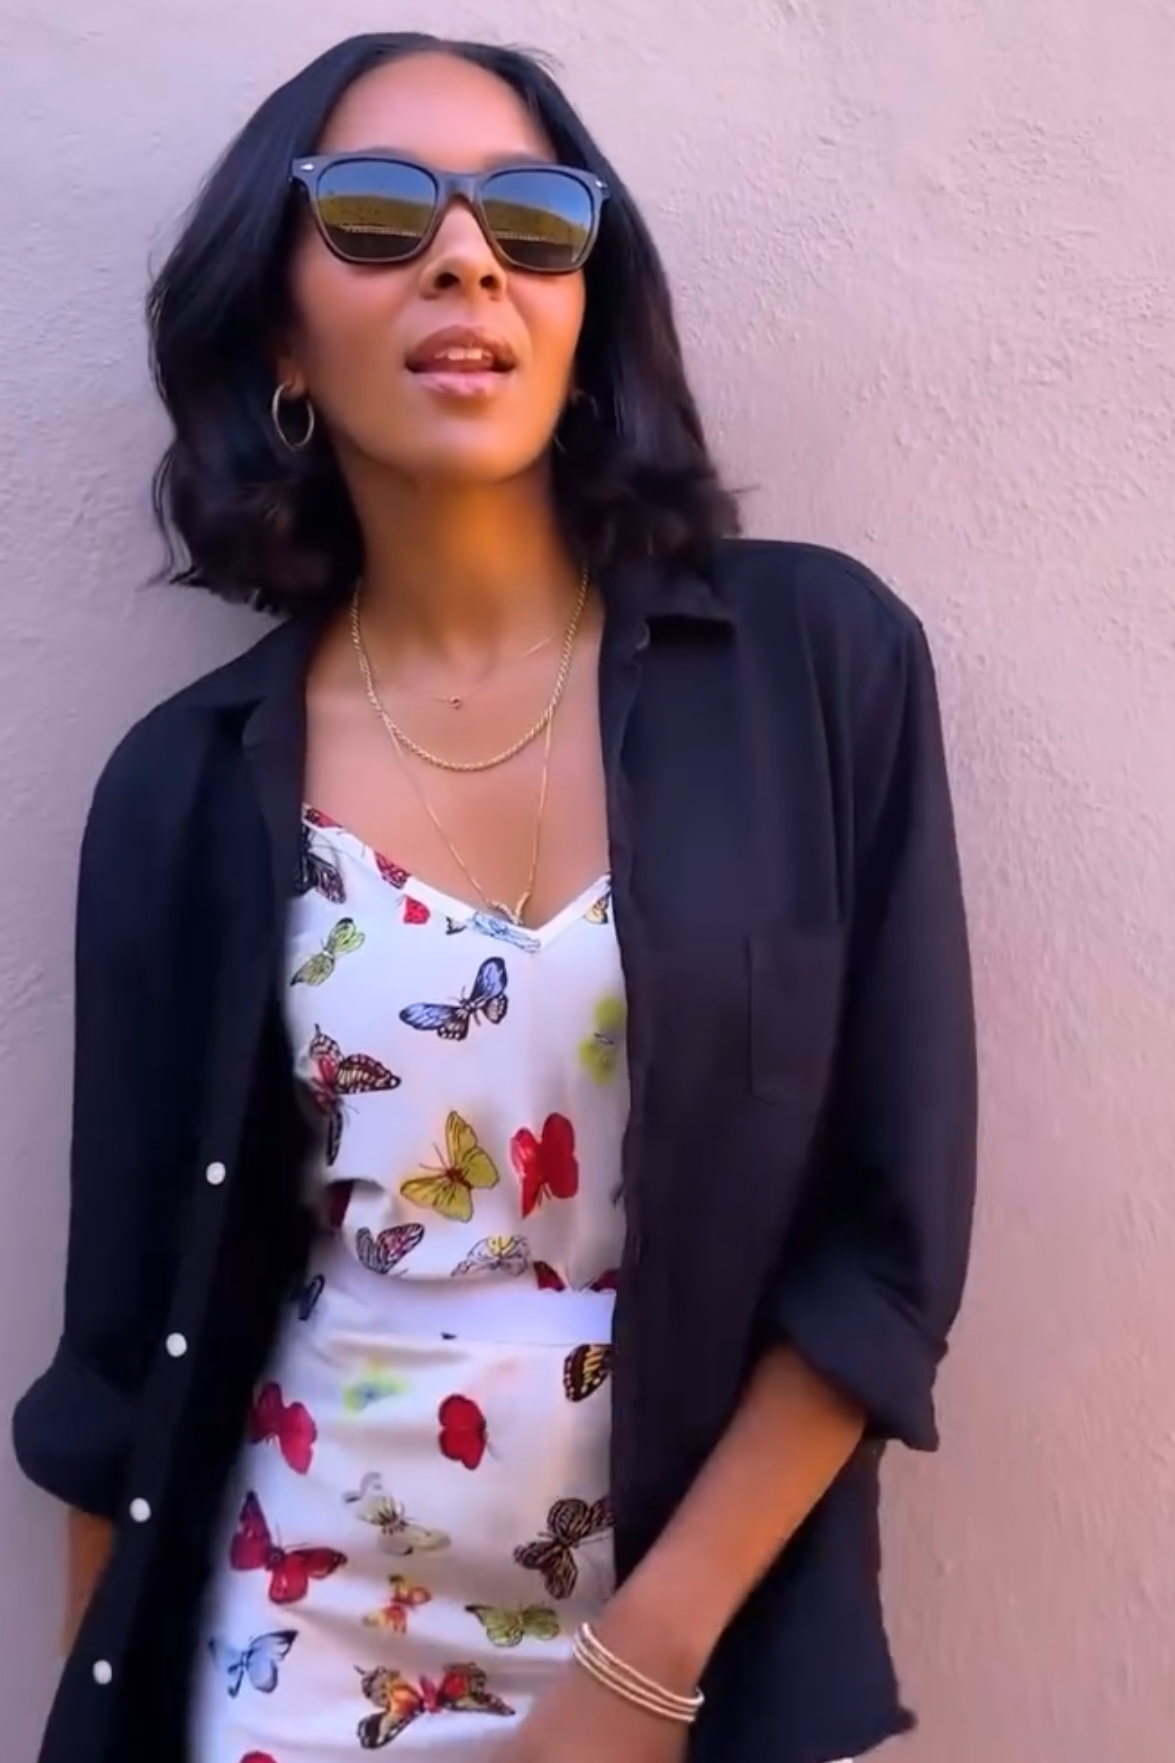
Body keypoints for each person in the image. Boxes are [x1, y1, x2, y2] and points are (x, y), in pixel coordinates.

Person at [11, 30, 977, 1763]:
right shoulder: (182, 787)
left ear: (584, 309)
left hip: (682, 1682)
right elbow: (117, 1370)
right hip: (292, 1667)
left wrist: (638, 1674)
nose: (466, 257)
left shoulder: (815, 667)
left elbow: (884, 1246)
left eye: (531, 221)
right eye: (380, 214)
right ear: (280, 334)